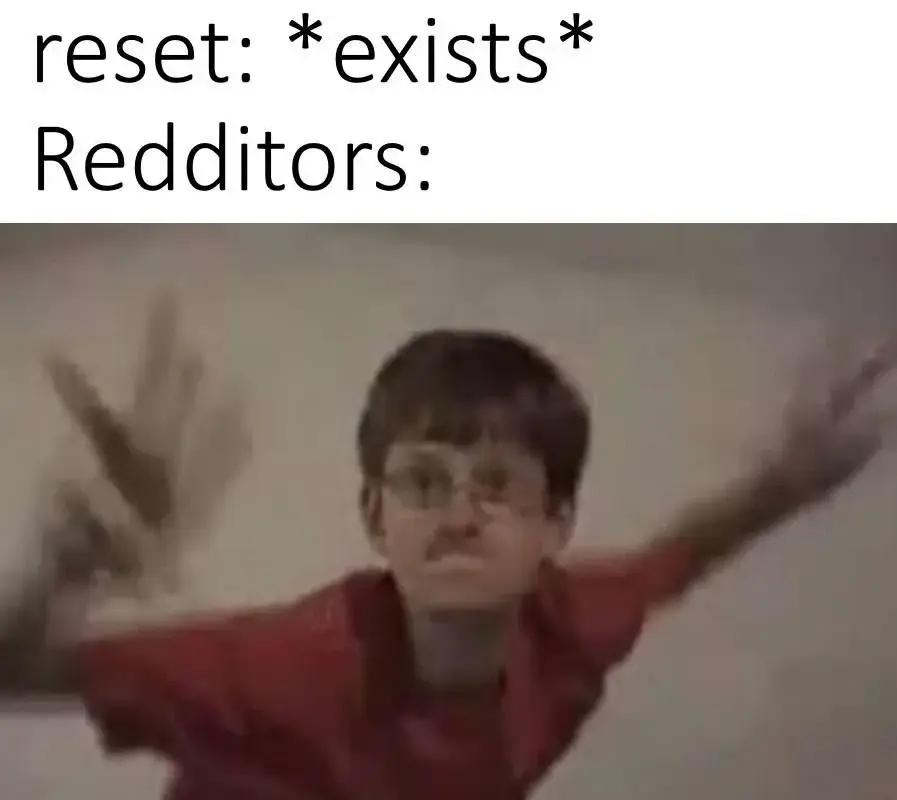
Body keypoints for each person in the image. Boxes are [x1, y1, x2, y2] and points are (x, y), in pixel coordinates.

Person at [0, 291, 894, 800]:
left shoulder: (574, 624)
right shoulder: (283, 669)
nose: (460, 513)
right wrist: (60, 571)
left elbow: (679, 556)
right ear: (374, 519)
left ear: (555, 526)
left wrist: (783, 486)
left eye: (497, 485)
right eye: (424, 483)